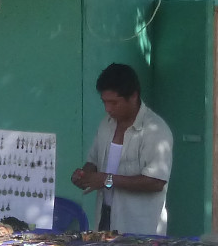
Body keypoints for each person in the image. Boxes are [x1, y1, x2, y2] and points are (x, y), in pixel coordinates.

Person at [69, 63, 173, 235]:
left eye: (114, 103)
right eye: (104, 102)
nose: (108, 108)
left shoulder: (156, 130)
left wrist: (106, 180)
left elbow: (156, 182)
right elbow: (93, 161)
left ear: (133, 96)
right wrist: (84, 175)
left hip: (139, 227)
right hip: (104, 216)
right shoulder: (106, 124)